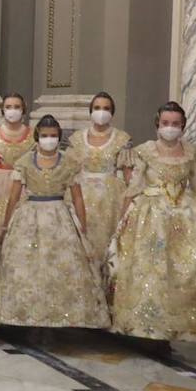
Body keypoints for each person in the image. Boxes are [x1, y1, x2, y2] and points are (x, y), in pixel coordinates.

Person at [108, 101, 196, 343]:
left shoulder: (191, 151)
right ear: (157, 125)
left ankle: (181, 325)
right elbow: (134, 185)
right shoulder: (145, 151)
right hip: (152, 215)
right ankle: (149, 328)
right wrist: (123, 220)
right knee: (152, 270)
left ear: (183, 126)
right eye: (165, 123)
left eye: (175, 124)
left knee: (193, 267)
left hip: (188, 214)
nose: (170, 128)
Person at [0, 115, 108, 330]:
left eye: (54, 136)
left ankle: (61, 316)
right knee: (27, 267)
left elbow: (77, 197)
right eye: (45, 136)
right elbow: (13, 197)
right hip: (29, 218)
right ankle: (25, 317)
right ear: (38, 137)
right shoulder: (24, 162)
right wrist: (5, 224)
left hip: (60, 218)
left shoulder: (69, 162)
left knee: (62, 266)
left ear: (59, 137)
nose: (50, 139)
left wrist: (82, 226)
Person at [68, 91, 133, 273]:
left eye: (106, 108)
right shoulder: (77, 139)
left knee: (107, 242)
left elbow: (129, 177)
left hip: (111, 200)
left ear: (112, 112)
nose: (101, 112)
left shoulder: (122, 139)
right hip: (81, 196)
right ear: (90, 111)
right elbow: (69, 171)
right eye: (97, 108)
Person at [0, 93, 36, 236]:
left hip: (24, 185)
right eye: (8, 107)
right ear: (2, 109)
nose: (12, 110)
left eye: (17, 107)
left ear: (23, 109)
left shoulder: (34, 135)